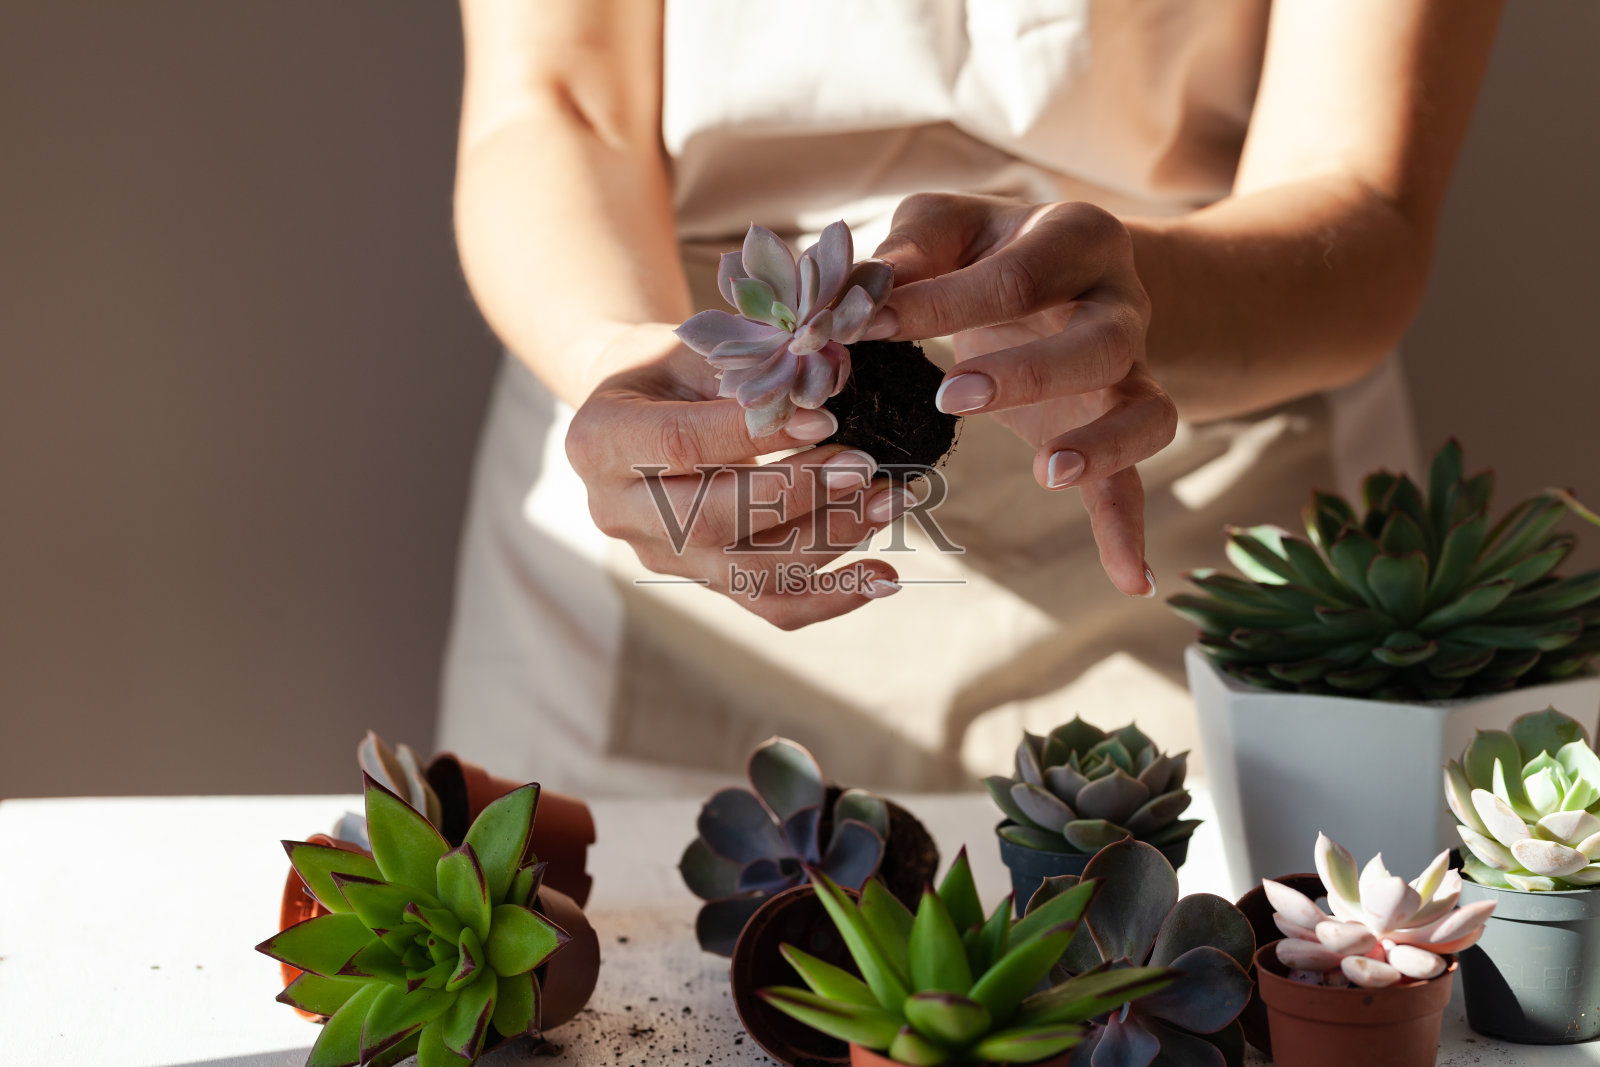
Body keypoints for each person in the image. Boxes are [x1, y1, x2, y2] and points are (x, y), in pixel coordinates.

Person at [441, 0, 1504, 793]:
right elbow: (552, 100)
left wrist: (1126, 300)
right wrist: (611, 365)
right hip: (686, 525)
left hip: (1184, 520)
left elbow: (1365, 198)